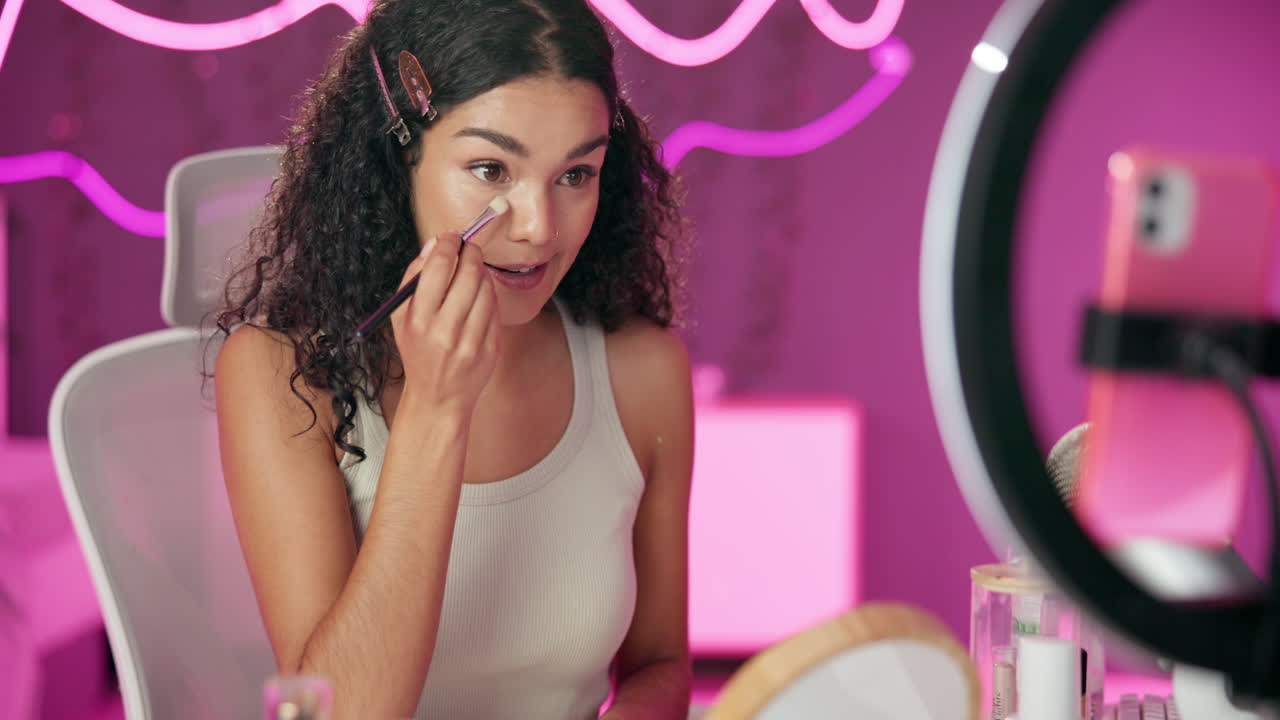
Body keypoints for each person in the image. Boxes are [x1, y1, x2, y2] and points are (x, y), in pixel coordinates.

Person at [210, 0, 693, 717]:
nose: (538, 230)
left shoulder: (642, 371)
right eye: (491, 168)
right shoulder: (280, 375)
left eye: (575, 176)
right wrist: (438, 409)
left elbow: (662, 663)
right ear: (397, 156)